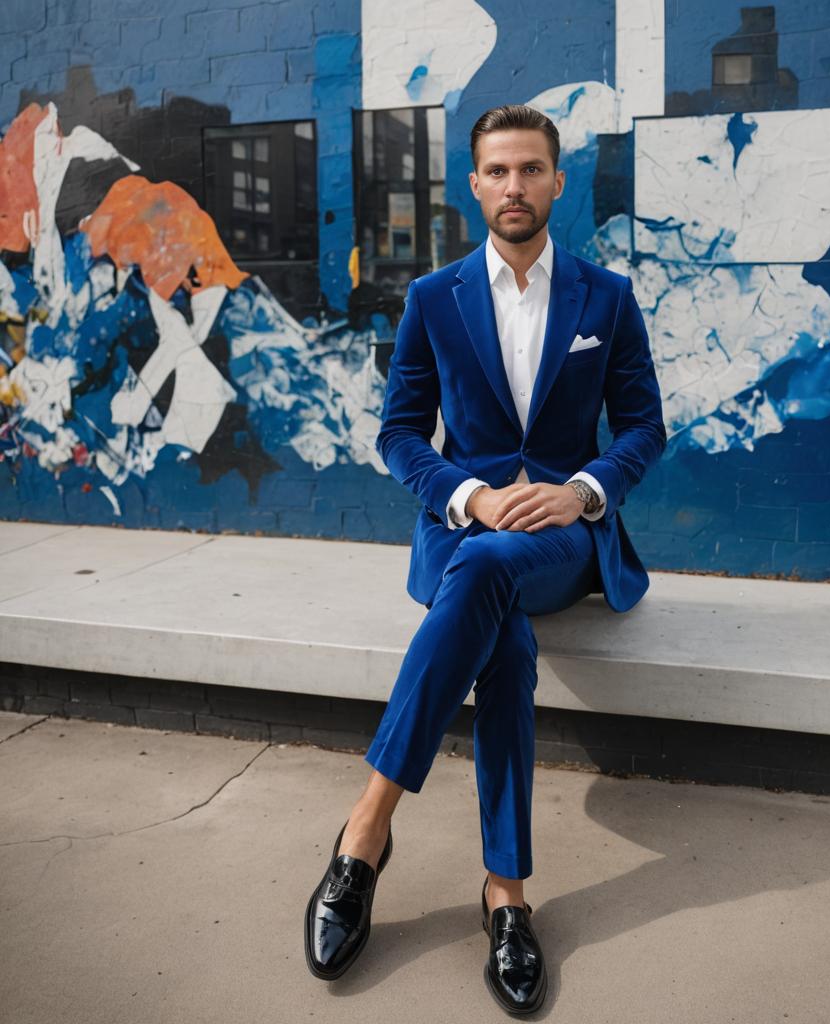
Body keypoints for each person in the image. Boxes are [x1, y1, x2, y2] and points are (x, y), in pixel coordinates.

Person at [304, 103, 666, 1014]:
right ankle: (506, 894)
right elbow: (398, 436)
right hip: (467, 534)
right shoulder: (434, 300)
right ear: (475, 185)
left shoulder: (605, 298)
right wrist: (468, 497)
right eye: (498, 171)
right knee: (497, 630)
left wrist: (582, 490)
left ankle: (365, 829)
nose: (515, 186)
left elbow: (644, 429)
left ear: (556, 180)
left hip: (562, 539)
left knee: (493, 572)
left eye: (531, 170)